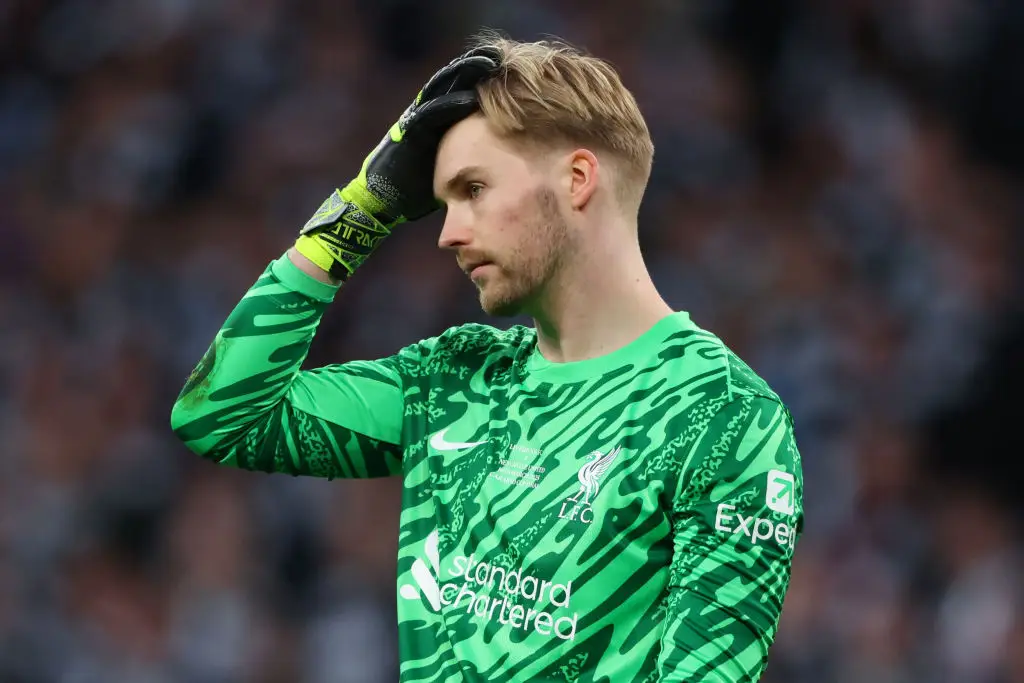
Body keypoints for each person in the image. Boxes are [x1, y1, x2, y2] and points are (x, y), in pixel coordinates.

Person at [171, 33, 804, 683]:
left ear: (577, 179)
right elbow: (222, 414)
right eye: (441, 202)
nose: (447, 232)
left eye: (474, 189)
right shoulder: (456, 378)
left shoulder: (723, 415)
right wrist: (362, 211)